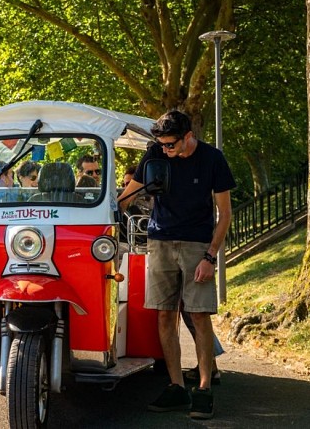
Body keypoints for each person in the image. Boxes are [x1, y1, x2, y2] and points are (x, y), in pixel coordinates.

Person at [120, 110, 235, 420]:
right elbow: (127, 197)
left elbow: (224, 214)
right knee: (164, 315)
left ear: (188, 137)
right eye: (162, 144)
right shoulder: (155, 154)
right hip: (159, 242)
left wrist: (211, 256)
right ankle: (175, 387)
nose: (165, 150)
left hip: (197, 245)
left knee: (198, 315)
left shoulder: (212, 158)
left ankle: (203, 389)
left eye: (171, 144)